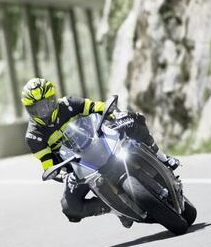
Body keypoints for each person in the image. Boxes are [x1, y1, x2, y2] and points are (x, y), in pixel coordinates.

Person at [21, 78, 179, 228]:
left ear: (53, 99)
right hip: (78, 168)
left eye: (46, 104)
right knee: (70, 207)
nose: (44, 111)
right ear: (29, 110)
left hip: (99, 141)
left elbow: (97, 107)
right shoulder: (34, 136)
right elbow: (48, 165)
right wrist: (63, 175)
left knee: (133, 119)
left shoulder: (68, 104)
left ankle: (162, 157)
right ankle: (114, 208)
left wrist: (116, 114)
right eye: (37, 108)